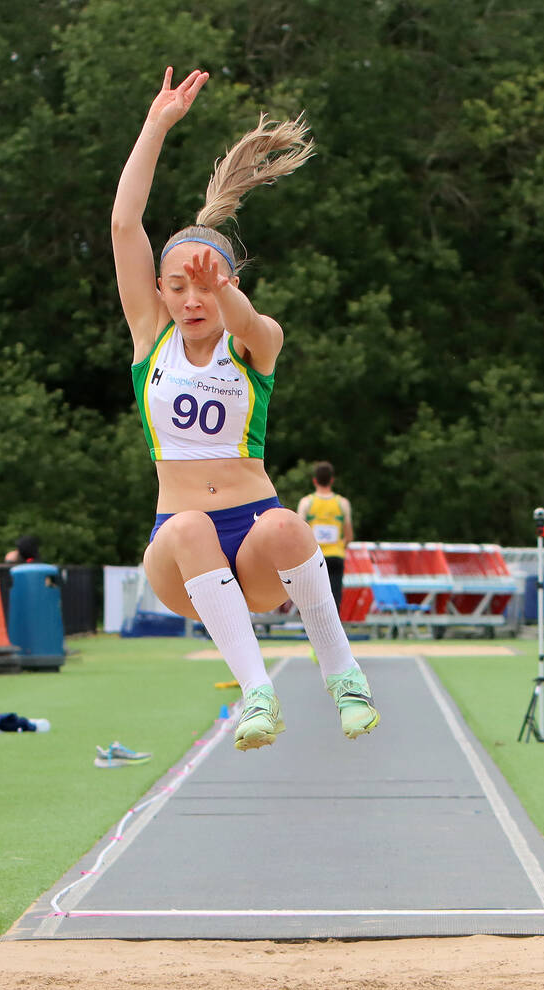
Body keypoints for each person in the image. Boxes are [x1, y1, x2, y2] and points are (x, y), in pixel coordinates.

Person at [114, 68, 378, 750]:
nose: (190, 300)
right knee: (192, 527)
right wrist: (157, 125)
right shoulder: (153, 340)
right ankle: (258, 693)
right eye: (177, 287)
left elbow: (253, 323)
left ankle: (344, 678)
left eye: (203, 287)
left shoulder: (255, 344)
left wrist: (222, 285)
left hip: (255, 543)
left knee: (291, 526)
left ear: (227, 284)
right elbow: (123, 224)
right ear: (162, 293)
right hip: (181, 545)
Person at [296, 461, 354, 609]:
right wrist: (340, 546)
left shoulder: (306, 502)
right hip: (336, 556)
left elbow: (299, 533)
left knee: (313, 599)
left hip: (315, 556)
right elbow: (349, 536)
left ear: (314, 480)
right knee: (335, 600)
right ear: (332, 480)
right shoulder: (342, 503)